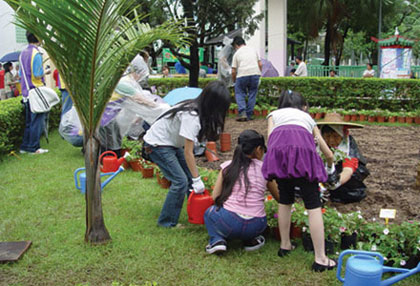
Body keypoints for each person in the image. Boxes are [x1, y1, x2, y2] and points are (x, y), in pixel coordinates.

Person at [262, 90, 337, 272]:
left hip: (280, 156)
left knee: (285, 199)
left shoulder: (273, 114)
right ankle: (320, 258)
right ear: (303, 106)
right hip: (304, 157)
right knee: (313, 205)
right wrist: (330, 164)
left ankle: (285, 245)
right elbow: (325, 150)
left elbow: (271, 137)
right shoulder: (307, 117)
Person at [143, 80, 231, 228]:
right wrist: (197, 179)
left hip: (171, 143)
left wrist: (195, 178)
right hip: (156, 144)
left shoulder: (198, 109)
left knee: (189, 179)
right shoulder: (192, 115)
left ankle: (198, 213)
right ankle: (166, 223)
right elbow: (188, 152)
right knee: (181, 181)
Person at [204, 130, 280, 254]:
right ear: (258, 149)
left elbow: (215, 196)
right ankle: (251, 241)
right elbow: (278, 197)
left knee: (209, 212)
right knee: (251, 223)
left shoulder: (228, 167)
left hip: (229, 222)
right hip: (256, 225)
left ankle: (217, 241)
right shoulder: (265, 169)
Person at [317, 113, 370, 203]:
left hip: (342, 178)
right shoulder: (317, 144)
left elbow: (348, 169)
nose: (331, 141)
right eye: (327, 136)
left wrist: (337, 182)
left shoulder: (348, 145)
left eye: (336, 136)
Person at [19, 32, 49, 154]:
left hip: (26, 92)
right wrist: (45, 72)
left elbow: (21, 74)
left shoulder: (22, 53)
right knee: (37, 120)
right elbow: (37, 74)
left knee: (29, 122)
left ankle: (25, 146)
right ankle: (34, 147)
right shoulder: (36, 53)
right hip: (36, 91)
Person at [231, 36, 262, 122]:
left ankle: (242, 112)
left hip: (242, 74)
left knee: (239, 92)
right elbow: (260, 64)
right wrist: (259, 74)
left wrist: (234, 81)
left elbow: (233, 71)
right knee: (252, 93)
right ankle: (249, 114)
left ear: (236, 45)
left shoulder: (237, 54)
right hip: (255, 73)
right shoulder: (253, 50)